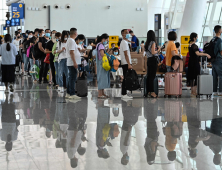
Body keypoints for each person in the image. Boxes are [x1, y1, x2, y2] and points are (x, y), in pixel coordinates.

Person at [66, 28, 81, 100]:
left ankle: (68, 93)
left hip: (71, 62)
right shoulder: (71, 41)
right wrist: (75, 62)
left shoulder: (70, 40)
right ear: (75, 33)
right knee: (72, 78)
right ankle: (72, 94)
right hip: (72, 62)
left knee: (71, 78)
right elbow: (71, 52)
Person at [144, 30, 160, 98]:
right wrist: (158, 50)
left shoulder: (146, 43)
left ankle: (149, 91)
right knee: (152, 77)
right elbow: (153, 52)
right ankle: (152, 92)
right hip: (153, 60)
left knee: (149, 76)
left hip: (149, 60)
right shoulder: (153, 42)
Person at [96, 33, 110, 99]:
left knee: (102, 78)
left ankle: (102, 93)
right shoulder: (101, 45)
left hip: (100, 63)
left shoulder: (98, 44)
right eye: (107, 39)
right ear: (103, 39)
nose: (107, 41)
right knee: (101, 78)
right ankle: (100, 94)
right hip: (102, 63)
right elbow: (102, 55)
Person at [120, 29, 133, 99]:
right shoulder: (124, 43)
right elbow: (126, 54)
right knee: (125, 78)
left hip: (125, 62)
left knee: (126, 78)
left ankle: (124, 93)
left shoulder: (124, 42)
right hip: (125, 63)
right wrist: (129, 64)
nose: (128, 34)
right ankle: (124, 94)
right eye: (126, 33)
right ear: (123, 34)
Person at [212, 25, 222, 96]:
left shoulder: (212, 39)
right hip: (218, 59)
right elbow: (221, 51)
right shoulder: (219, 40)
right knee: (221, 76)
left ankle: (214, 92)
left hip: (213, 60)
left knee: (214, 76)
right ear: (219, 31)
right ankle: (221, 92)